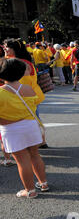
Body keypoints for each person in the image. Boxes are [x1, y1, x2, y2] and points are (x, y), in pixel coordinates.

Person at [0, 58, 49, 198]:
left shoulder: (1, 92)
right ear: (21, 73)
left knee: (22, 160)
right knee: (35, 155)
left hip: (11, 129)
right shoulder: (28, 88)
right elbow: (34, 105)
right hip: (30, 125)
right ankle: (43, 183)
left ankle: (30, 190)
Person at [3, 38, 48, 149]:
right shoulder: (13, 60)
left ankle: (37, 142)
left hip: (24, 95)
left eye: (6, 47)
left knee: (31, 118)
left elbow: (22, 83)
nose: (4, 48)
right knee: (33, 117)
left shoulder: (20, 63)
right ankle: (40, 142)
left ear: (14, 49)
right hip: (27, 94)